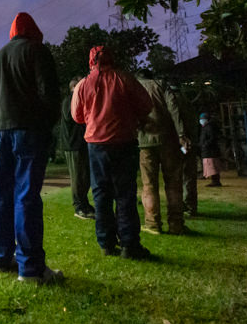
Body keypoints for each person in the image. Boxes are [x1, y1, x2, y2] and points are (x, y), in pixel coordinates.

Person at [0, 11, 62, 283]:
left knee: (2, 194)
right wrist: (46, 124)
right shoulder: (37, 51)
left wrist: (4, 118)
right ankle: (30, 267)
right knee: (26, 195)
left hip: (4, 131)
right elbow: (49, 94)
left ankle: (0, 257)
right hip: (30, 131)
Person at [72, 46, 153, 259]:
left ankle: (106, 243)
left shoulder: (83, 84)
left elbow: (77, 116)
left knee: (101, 194)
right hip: (124, 142)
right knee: (125, 194)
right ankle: (129, 245)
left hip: (96, 145)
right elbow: (146, 105)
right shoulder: (125, 79)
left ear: (91, 61)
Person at [136, 71, 189, 235]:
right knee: (173, 183)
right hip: (168, 139)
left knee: (149, 184)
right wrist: (181, 134)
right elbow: (174, 108)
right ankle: (176, 224)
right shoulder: (162, 85)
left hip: (145, 141)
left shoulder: (135, 87)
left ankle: (152, 223)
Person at [59, 78, 95, 220]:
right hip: (73, 144)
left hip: (79, 142)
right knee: (78, 177)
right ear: (74, 86)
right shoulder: (69, 100)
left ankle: (84, 204)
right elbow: (70, 116)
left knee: (84, 176)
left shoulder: (75, 98)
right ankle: (79, 206)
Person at [172, 86, 200, 216]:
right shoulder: (188, 103)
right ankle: (190, 205)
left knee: (178, 175)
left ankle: (184, 205)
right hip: (190, 142)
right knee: (189, 175)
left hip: (179, 142)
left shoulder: (173, 101)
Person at [200, 113, 223, 186]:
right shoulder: (208, 127)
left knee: (212, 166)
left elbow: (212, 138)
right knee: (213, 166)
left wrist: (205, 145)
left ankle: (215, 181)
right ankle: (215, 181)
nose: (201, 121)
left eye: (202, 119)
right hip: (210, 150)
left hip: (210, 151)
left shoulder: (209, 127)